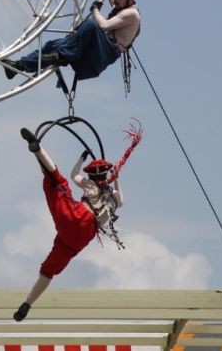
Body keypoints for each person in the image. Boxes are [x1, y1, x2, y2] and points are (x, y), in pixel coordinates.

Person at [12, 124, 141, 322]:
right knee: (49, 270)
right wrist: (117, 179)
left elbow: (73, 176)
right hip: (79, 239)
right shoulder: (114, 197)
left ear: (93, 176)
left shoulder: (90, 185)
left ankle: (37, 149)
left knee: (58, 181)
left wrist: (81, 158)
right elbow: (122, 201)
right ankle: (27, 303)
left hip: (76, 217)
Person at [2, 0, 140, 82]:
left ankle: (62, 55)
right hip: (92, 49)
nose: (115, 0)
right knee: (52, 45)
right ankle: (17, 67)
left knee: (91, 25)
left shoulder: (132, 15)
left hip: (100, 55)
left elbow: (103, 25)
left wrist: (95, 9)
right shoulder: (121, 5)